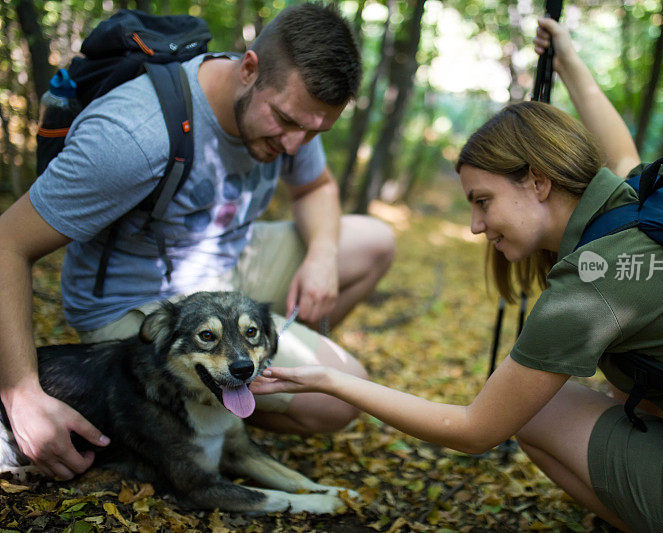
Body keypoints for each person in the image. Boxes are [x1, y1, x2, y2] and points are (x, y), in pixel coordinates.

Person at [250, 17, 663, 532]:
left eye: (482, 201)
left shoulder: (596, 281)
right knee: (606, 389)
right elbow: (620, 149)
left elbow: (474, 430)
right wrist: (569, 63)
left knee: (537, 415)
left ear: (538, 181)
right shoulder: (653, 197)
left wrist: (331, 378)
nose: (474, 225)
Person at [0, 3, 394, 482]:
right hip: (142, 302)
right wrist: (20, 392)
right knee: (338, 397)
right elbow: (7, 243)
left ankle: (233, 387)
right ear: (248, 69)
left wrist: (322, 257)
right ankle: (207, 411)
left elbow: (317, 188)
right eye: (288, 122)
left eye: (315, 131)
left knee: (373, 241)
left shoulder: (295, 112)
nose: (296, 146)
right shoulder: (134, 137)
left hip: (227, 265)